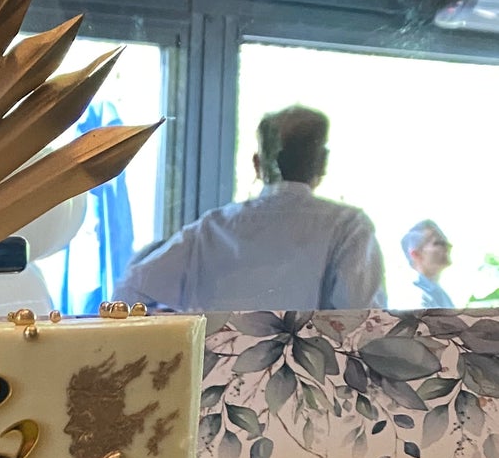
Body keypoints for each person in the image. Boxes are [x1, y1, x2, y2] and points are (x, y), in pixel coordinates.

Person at [115, 106, 386, 313]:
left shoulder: (212, 227)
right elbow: (362, 322)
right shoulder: (350, 227)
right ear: (322, 163)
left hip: (211, 382)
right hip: (310, 382)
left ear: (257, 164)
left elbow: (129, 291)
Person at [398, 219, 455, 310]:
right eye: (439, 243)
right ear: (416, 254)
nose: (448, 246)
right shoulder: (413, 297)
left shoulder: (439, 294)